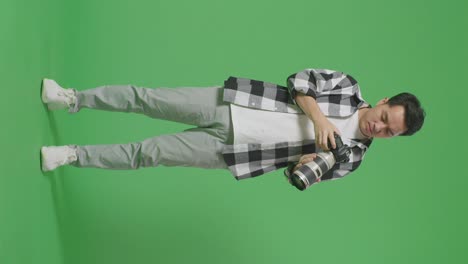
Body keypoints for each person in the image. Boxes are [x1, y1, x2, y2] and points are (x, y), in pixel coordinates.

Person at [40, 68, 425, 187]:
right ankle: (72, 98)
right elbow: (300, 81)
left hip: (237, 153)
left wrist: (308, 162)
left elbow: (297, 173)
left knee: (149, 153)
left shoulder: (352, 158)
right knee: (148, 98)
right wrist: (320, 120)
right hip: (232, 103)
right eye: (385, 118)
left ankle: (71, 156)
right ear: (383, 102)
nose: (380, 128)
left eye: (390, 132)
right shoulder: (347, 87)